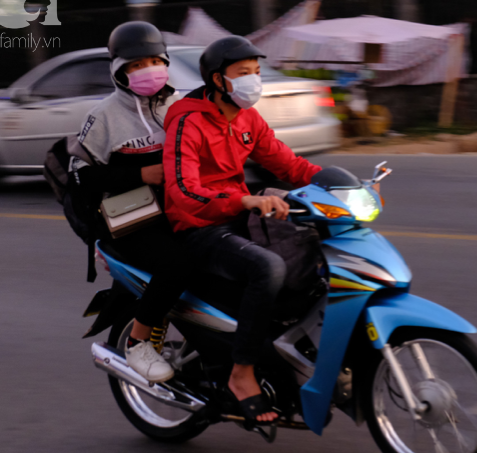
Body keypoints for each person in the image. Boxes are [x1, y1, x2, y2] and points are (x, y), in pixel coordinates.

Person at [161, 36, 322, 424]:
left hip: (238, 217)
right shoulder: (188, 120)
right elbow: (182, 192)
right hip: (199, 227)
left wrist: (342, 184)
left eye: (256, 72)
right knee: (267, 268)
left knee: (317, 247)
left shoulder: (248, 118)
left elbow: (289, 165)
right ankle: (242, 372)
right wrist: (243, 200)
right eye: (243, 73)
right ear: (218, 80)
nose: (254, 80)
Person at [70, 21, 194, 383]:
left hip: (178, 206)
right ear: (119, 71)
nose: (146, 70)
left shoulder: (178, 105)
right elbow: (80, 176)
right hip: (131, 217)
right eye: (135, 65)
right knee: (177, 265)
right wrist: (141, 174)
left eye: (153, 61)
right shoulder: (103, 116)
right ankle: (138, 343)